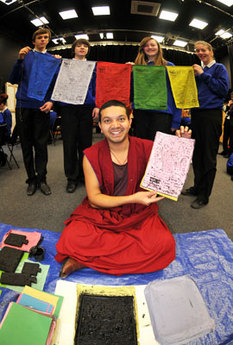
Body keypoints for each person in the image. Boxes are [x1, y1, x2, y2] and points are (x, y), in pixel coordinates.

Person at [55, 100, 191, 278]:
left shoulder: (147, 147)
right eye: (108, 121)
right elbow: (95, 198)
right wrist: (133, 198)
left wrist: (180, 149)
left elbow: (169, 180)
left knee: (163, 243)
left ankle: (85, 260)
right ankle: (90, 258)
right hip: (102, 214)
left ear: (130, 122)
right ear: (101, 127)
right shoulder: (91, 155)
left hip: (138, 215)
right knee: (72, 236)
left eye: (121, 119)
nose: (115, 125)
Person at [9, 28, 61, 196]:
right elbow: (13, 79)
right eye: (39, 37)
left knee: (41, 145)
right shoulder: (26, 56)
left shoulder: (52, 60)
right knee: (26, 145)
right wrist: (19, 60)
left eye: (46, 37)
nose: (43, 39)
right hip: (24, 105)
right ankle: (31, 179)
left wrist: (51, 101)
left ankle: (42, 179)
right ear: (34, 41)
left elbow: (55, 86)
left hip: (42, 107)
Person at [182, 41, 229, 209]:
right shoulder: (197, 71)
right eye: (197, 51)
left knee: (208, 157)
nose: (200, 53)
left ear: (211, 51)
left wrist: (203, 74)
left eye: (203, 50)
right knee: (197, 155)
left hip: (211, 116)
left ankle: (204, 196)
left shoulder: (219, 69)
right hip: (197, 115)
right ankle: (197, 187)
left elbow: (223, 90)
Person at [58, 39, 99, 193]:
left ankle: (85, 175)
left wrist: (97, 105)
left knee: (86, 144)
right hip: (68, 108)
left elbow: (97, 87)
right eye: (79, 45)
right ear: (73, 48)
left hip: (86, 108)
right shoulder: (64, 65)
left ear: (88, 50)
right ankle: (72, 178)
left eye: (85, 46)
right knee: (69, 143)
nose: (82, 48)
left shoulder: (93, 66)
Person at [129, 36, 181, 140]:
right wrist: (127, 72)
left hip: (162, 114)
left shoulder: (169, 66)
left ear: (158, 47)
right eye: (146, 45)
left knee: (158, 150)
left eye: (153, 45)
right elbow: (131, 91)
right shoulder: (137, 68)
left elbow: (177, 93)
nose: (150, 47)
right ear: (142, 49)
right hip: (141, 113)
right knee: (142, 147)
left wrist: (176, 121)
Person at [219, 92, 233, 158]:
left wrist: (229, 106)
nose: (232, 98)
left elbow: (230, 112)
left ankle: (229, 152)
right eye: (231, 96)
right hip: (227, 121)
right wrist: (228, 105)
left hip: (232, 123)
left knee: (231, 139)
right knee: (225, 137)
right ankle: (225, 150)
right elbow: (224, 109)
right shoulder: (229, 102)